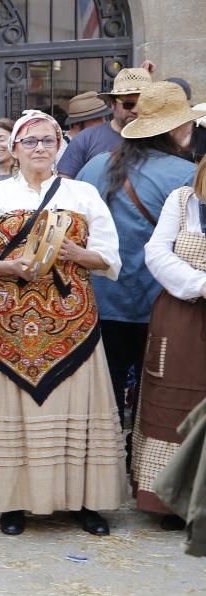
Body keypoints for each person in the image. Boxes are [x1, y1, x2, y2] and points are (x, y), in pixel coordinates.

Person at [0, 110, 125, 537]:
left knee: (76, 411)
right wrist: (8, 265)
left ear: (59, 146)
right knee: (17, 413)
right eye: (29, 142)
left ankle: (87, 502)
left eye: (47, 141)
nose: (39, 149)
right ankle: (14, 503)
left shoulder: (83, 194)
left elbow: (110, 257)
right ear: (14, 148)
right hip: (10, 322)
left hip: (72, 324)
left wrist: (73, 253)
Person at [76, 81, 199, 432]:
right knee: (155, 397)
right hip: (159, 305)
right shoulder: (185, 175)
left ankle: (104, 468)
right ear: (177, 127)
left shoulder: (94, 166)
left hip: (99, 299)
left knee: (104, 396)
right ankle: (143, 469)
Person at [136, 160, 206, 530]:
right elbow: (158, 253)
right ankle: (175, 500)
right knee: (177, 406)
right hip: (183, 315)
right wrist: (198, 283)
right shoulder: (182, 201)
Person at [57, 68, 153, 178]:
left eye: (143, 104)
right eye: (128, 104)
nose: (136, 110)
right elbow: (65, 185)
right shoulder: (86, 139)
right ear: (113, 104)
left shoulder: (160, 138)